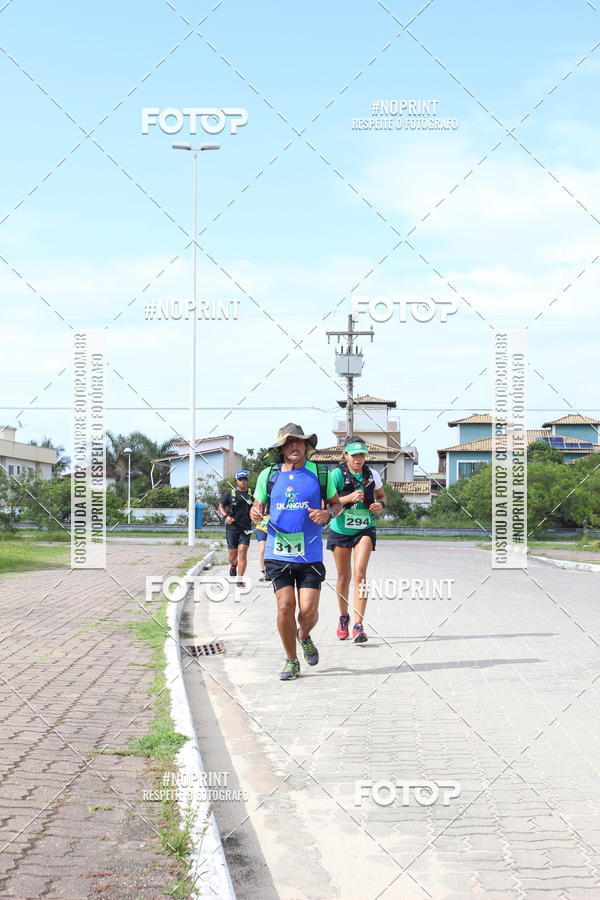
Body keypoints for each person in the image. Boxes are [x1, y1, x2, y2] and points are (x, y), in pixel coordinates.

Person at [250, 424, 342, 681]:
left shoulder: (320, 474)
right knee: (284, 607)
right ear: (281, 448)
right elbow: (256, 509)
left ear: (306, 446)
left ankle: (304, 635)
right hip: (277, 551)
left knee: (308, 611)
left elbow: (336, 505)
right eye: (288, 443)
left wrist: (327, 514)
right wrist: (255, 513)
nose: (294, 446)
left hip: (310, 554)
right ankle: (291, 660)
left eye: (298, 442)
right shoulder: (268, 475)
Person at [326, 436, 386, 643]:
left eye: (361, 455)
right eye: (354, 455)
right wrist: (348, 498)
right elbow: (326, 504)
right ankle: (344, 617)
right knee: (344, 576)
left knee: (360, 573)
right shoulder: (336, 475)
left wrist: (380, 505)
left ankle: (359, 626)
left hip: (364, 528)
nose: (358, 459)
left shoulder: (372, 475)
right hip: (340, 529)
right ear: (345, 456)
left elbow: (382, 496)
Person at [218, 470, 253, 588]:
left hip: (246, 528)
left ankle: (240, 579)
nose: (243, 481)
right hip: (232, 528)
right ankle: (233, 565)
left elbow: (259, 507)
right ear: (236, 480)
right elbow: (221, 506)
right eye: (240, 479)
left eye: (245, 479)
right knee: (232, 557)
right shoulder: (230, 493)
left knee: (242, 551)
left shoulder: (251, 494)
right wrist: (225, 516)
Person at [255, 511, 270, 581]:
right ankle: (262, 571)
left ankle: (269, 571)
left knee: (271, 550)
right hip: (261, 528)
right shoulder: (261, 501)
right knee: (262, 550)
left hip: (273, 527)